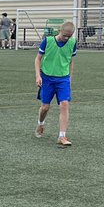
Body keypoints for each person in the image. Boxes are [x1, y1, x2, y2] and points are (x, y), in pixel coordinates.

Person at [35, 20, 77, 148]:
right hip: (47, 78)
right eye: (64, 35)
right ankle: (41, 123)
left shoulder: (72, 43)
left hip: (63, 79)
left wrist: (69, 78)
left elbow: (71, 61)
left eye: (69, 36)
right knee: (45, 107)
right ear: (60, 31)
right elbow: (38, 59)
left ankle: (62, 136)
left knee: (64, 104)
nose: (66, 38)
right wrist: (38, 75)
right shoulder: (47, 41)